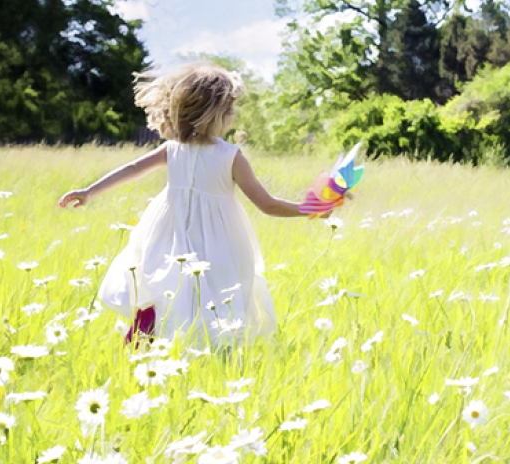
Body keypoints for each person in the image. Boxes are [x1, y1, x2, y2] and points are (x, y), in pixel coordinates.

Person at [58, 62, 333, 347]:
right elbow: (267, 204)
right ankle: (195, 351)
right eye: (229, 110)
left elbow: (133, 168)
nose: (233, 115)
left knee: (164, 286)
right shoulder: (230, 156)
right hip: (216, 239)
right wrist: (309, 208)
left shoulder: (174, 148)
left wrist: (90, 191)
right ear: (213, 114)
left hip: (168, 232)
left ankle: (145, 346)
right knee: (213, 295)